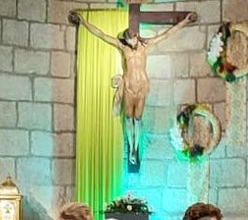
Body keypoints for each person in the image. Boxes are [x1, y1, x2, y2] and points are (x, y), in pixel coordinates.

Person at [68, 10, 197, 165]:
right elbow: (101, 34)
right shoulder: (124, 48)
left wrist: (185, 21)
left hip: (141, 87)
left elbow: (167, 34)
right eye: (128, 40)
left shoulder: (145, 45)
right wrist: (83, 21)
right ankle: (132, 150)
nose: (131, 42)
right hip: (129, 87)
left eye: (132, 38)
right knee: (129, 119)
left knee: (138, 119)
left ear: (136, 36)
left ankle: (136, 147)